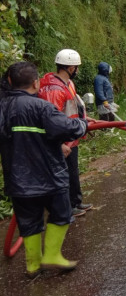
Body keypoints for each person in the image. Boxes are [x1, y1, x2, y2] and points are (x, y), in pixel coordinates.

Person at [0, 62, 88, 278]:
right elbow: (68, 127)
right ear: (36, 83)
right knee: (61, 214)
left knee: (28, 220)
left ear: (10, 82)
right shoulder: (41, 107)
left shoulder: (3, 107)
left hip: (18, 179)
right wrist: (84, 124)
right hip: (49, 175)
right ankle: (52, 255)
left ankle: (32, 265)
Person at [39, 49, 92, 218]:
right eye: (76, 67)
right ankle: (65, 209)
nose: (77, 70)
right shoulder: (53, 90)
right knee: (62, 176)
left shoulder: (68, 84)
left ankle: (75, 202)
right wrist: (59, 144)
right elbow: (49, 120)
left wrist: (85, 119)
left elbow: (73, 107)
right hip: (60, 142)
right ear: (70, 68)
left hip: (71, 138)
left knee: (72, 172)